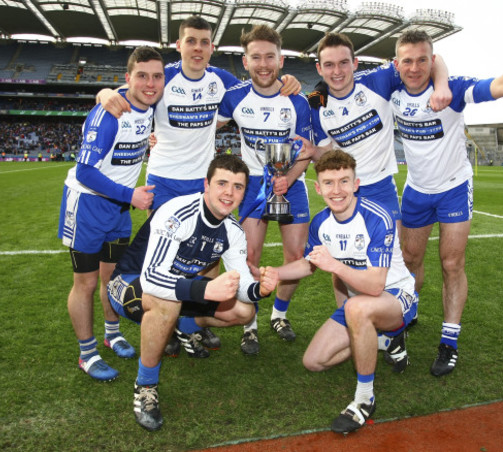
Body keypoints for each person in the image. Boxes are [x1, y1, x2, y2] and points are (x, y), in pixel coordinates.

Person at [97, 16, 299, 353]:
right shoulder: (166, 76)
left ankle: (190, 323)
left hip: (203, 181)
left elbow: (258, 86)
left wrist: (287, 79)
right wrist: (105, 92)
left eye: (205, 42)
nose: (198, 48)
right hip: (163, 180)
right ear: (180, 45)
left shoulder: (221, 80)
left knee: (209, 254)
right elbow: (129, 91)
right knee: (164, 255)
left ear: (212, 47)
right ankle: (165, 317)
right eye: (191, 41)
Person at [391, 31, 503, 376]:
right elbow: (344, 77)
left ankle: (449, 341)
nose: (414, 68)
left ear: (432, 60)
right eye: (407, 61)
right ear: (397, 63)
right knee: (410, 259)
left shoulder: (453, 89)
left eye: (422, 59)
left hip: (454, 187)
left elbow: (501, 85)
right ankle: (408, 312)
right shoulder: (391, 85)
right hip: (416, 188)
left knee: (451, 263)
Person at [108, 154, 278, 431]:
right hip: (128, 285)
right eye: (222, 183)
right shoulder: (178, 212)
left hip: (177, 291)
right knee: (168, 303)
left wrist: (260, 289)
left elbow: (244, 287)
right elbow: (151, 279)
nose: (229, 193)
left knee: (245, 311)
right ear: (206, 184)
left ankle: (183, 329)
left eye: (238, 186)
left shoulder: (233, 231)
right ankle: (146, 385)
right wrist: (206, 288)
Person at [267, 150, 417, 434]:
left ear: (356, 183)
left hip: (395, 296)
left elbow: (375, 285)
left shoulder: (377, 217)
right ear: (318, 187)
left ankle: (364, 398)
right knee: (313, 361)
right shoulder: (320, 223)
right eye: (329, 183)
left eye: (344, 181)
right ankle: (387, 342)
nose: (336, 190)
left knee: (356, 307)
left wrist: (334, 264)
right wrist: (274, 273)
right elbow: (307, 265)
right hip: (359, 301)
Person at [57, 46, 164, 381]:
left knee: (112, 277)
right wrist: (130, 194)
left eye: (156, 76)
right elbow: (86, 171)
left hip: (117, 209)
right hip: (87, 204)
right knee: (86, 282)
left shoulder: (150, 106)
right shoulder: (110, 114)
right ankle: (87, 354)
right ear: (128, 78)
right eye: (142, 76)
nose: (150, 83)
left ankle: (112, 333)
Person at [217, 24, 313, 355]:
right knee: (250, 257)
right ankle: (250, 324)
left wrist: (290, 177)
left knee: (296, 259)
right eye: (255, 57)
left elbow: (307, 150)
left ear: (281, 59)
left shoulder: (298, 101)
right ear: (245, 62)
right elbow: (203, 130)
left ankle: (280, 315)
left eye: (269, 56)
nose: (263, 64)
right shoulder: (234, 97)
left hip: (291, 184)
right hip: (254, 186)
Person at [306, 32, 451, 228]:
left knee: (395, 253)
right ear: (319, 68)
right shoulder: (317, 105)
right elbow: (325, 153)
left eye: (343, 63)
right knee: (346, 255)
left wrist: (442, 86)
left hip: (381, 186)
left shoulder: (378, 80)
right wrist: (313, 151)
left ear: (355, 63)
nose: (337, 71)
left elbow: (435, 60)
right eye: (329, 65)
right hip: (345, 190)